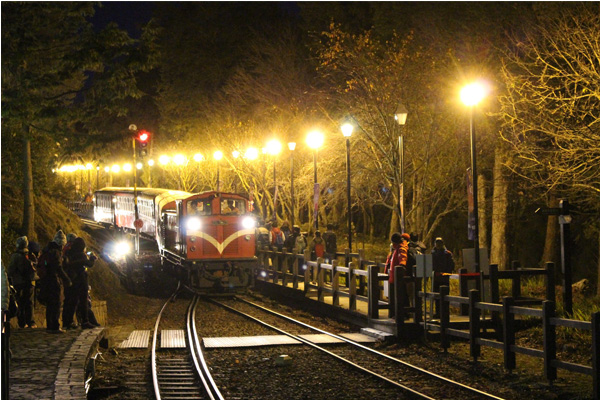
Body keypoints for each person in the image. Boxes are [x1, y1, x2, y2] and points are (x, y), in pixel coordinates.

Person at [38, 230, 71, 333]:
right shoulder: (56, 253)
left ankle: (49, 326)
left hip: (45, 280)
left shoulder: (47, 250)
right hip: (54, 281)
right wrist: (66, 279)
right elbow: (58, 268)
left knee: (50, 304)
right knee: (56, 303)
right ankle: (55, 326)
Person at [62, 237, 97, 330]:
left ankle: (68, 322)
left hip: (72, 281)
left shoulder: (69, 253)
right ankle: (85, 321)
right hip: (81, 281)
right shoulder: (81, 255)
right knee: (83, 302)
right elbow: (89, 264)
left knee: (72, 302)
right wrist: (92, 259)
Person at [7, 236, 37, 329]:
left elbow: (10, 270)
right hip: (30, 282)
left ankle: (22, 322)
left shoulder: (15, 256)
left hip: (18, 283)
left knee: (19, 302)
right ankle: (31, 322)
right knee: (29, 302)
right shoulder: (31, 254)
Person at [384, 232, 409, 318]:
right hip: (395, 276)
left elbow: (402, 260)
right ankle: (398, 313)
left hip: (398, 277)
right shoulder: (398, 248)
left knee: (400, 297)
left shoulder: (401, 248)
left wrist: (401, 267)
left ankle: (402, 314)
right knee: (398, 296)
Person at [431, 237, 455, 318]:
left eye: (439, 243)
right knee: (436, 296)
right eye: (437, 243)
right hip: (436, 278)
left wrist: (447, 273)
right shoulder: (433, 253)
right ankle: (438, 313)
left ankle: (445, 313)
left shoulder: (447, 254)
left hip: (444, 278)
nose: (438, 244)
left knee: (445, 297)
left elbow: (451, 265)